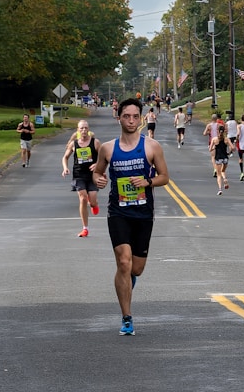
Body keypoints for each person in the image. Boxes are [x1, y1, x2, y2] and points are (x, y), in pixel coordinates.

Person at [93, 98, 169, 336]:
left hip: (143, 213)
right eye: (127, 116)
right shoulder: (107, 148)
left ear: (142, 118)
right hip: (118, 212)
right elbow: (97, 173)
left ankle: (127, 282)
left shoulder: (152, 147)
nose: (131, 121)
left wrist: (148, 181)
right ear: (119, 117)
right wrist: (99, 181)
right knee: (123, 261)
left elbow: (165, 177)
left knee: (136, 269)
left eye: (136, 116)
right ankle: (127, 317)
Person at [62, 120, 101, 237]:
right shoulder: (74, 144)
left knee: (92, 202)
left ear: (88, 129)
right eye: (81, 128)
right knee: (83, 198)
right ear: (78, 130)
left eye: (85, 128)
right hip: (79, 175)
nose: (84, 130)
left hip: (92, 176)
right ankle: (85, 228)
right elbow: (65, 157)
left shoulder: (95, 142)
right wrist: (65, 168)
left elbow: (104, 156)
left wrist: (97, 165)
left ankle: (93, 204)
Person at [209, 125, 235, 195]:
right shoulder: (226, 139)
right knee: (223, 171)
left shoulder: (214, 139)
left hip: (218, 158)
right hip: (225, 158)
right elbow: (232, 148)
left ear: (218, 131)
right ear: (224, 131)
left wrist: (214, 147)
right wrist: (229, 153)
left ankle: (220, 189)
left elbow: (210, 149)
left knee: (218, 174)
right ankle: (225, 179)